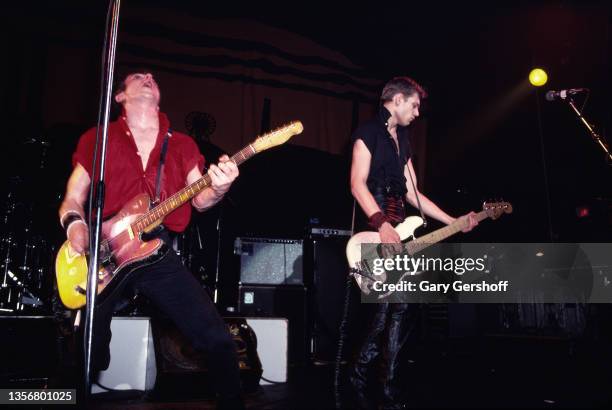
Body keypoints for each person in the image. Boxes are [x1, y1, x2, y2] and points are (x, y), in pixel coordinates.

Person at [58, 71, 244, 409]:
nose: (149, 77)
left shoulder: (182, 144)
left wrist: (219, 186)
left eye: (153, 78)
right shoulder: (98, 138)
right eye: (138, 76)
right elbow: (73, 197)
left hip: (155, 252)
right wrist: (75, 227)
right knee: (87, 352)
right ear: (120, 97)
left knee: (218, 340)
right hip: (106, 254)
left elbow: (200, 199)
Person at [349, 76, 478, 409]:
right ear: (396, 100)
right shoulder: (368, 134)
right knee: (380, 315)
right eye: (415, 104)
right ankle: (357, 382)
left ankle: (388, 389)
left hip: (400, 230)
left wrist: (454, 221)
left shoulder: (403, 140)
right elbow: (357, 184)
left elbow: (414, 193)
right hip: (375, 229)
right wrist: (382, 225)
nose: (418, 112)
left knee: (402, 310)